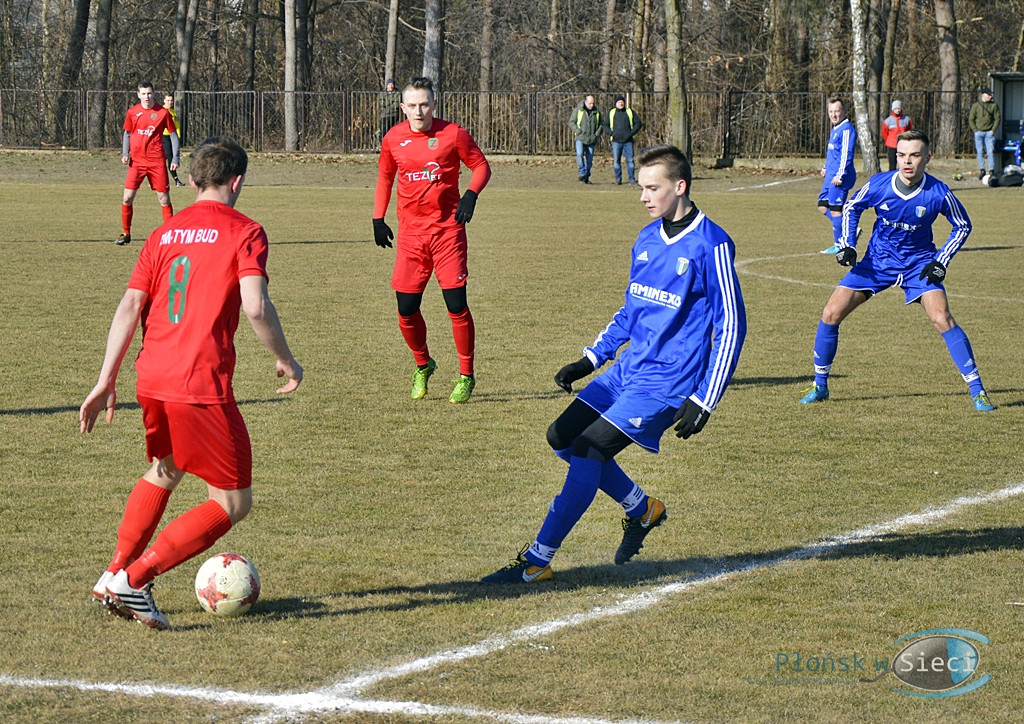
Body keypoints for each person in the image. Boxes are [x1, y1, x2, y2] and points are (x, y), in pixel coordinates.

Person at [482, 144, 746, 584]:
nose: (644, 197)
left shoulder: (711, 244)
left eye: (652, 188)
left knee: (589, 449)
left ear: (679, 187)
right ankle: (643, 509)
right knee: (561, 436)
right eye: (641, 188)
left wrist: (706, 398)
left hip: (667, 383)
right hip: (627, 371)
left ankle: (537, 560)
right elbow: (631, 312)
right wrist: (588, 360)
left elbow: (732, 325)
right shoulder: (645, 239)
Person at [81, 136, 303, 630]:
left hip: (152, 374)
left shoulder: (164, 232)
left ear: (193, 178)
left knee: (166, 467)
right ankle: (133, 581)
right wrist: (286, 360)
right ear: (238, 180)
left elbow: (129, 306)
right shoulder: (246, 231)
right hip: (198, 381)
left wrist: (105, 379)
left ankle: (112, 572)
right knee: (231, 501)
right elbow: (255, 306)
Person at [799, 129, 993, 412]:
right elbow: (853, 207)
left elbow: (962, 225)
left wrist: (940, 261)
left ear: (927, 158)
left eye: (915, 155)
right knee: (831, 313)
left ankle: (978, 391)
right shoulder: (880, 185)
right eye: (902, 155)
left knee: (942, 318)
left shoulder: (938, 192)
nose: (907, 161)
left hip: (919, 265)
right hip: (877, 263)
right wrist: (848, 244)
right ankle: (820, 385)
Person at [373, 77, 492, 404]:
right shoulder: (393, 138)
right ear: (403, 108)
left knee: (456, 305)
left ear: (434, 105)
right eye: (412, 105)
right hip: (411, 237)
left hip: (447, 233)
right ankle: (423, 365)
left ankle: (466, 375)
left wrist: (471, 194)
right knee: (406, 309)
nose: (418, 111)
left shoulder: (453, 134)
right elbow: (385, 176)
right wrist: (377, 218)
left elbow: (480, 166)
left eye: (424, 104)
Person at [117, 80, 180, 246]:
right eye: (143, 94)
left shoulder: (163, 113)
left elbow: (173, 135)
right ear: (138, 95)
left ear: (154, 94)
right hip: (136, 162)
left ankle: (170, 236)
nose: (147, 97)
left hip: (156, 161)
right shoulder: (133, 112)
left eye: (149, 93)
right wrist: (125, 153)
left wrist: (175, 158)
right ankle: (126, 233)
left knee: (164, 199)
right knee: (127, 197)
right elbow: (127, 133)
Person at [817, 97, 858, 256]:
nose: (834, 114)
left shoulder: (847, 129)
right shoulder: (836, 128)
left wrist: (840, 175)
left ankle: (839, 244)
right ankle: (845, 226)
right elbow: (833, 153)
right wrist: (826, 167)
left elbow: (846, 155)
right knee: (822, 206)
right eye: (831, 111)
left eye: (837, 111)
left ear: (844, 112)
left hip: (840, 177)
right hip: (831, 175)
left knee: (835, 210)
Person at [605, 94, 643, 184]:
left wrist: (631, 133)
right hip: (615, 141)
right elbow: (605, 125)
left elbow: (638, 123)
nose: (621, 104)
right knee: (616, 161)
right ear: (615, 103)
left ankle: (631, 179)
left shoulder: (630, 112)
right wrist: (612, 133)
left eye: (622, 102)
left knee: (630, 161)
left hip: (628, 141)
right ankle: (618, 179)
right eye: (619, 102)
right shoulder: (611, 113)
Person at [570, 94, 602, 184]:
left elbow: (601, 124)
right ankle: (582, 173)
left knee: (589, 159)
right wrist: (577, 130)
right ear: (585, 102)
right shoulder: (578, 110)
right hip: (580, 137)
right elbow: (571, 122)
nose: (592, 105)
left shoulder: (597, 112)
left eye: (593, 103)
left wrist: (596, 134)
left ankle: (587, 176)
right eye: (590, 103)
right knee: (579, 154)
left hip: (592, 139)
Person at [969, 89, 1001, 179]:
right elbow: (971, 118)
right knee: (980, 152)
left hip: (989, 132)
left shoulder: (994, 106)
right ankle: (982, 170)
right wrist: (975, 130)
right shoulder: (976, 106)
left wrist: (993, 130)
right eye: (989, 95)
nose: (991, 96)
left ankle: (991, 170)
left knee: (990, 151)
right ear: (983, 95)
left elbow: (997, 118)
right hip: (979, 132)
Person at [161, 93, 186, 187]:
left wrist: (178, 134)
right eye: (168, 100)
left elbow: (176, 125)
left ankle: (175, 180)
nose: (170, 102)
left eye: (171, 100)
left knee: (171, 158)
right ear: (164, 101)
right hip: (164, 136)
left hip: (172, 137)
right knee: (169, 157)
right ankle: (176, 180)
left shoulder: (173, 112)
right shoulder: (162, 111)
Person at [880, 100, 912, 172]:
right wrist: (889, 141)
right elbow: (884, 133)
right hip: (891, 146)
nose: (898, 110)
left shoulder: (906, 119)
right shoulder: (887, 121)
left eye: (899, 108)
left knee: (903, 163)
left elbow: (909, 130)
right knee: (892, 164)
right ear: (893, 109)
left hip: (903, 145)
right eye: (896, 108)